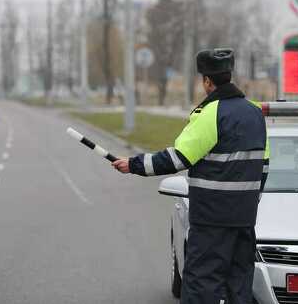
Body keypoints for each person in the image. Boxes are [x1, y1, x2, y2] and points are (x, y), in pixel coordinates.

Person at [112, 48, 269, 304]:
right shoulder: (255, 114)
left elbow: (177, 158)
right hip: (244, 220)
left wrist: (134, 164)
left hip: (211, 221)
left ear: (207, 80)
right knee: (239, 287)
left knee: (201, 286)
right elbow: (263, 166)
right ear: (229, 75)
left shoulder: (209, 114)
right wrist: (248, 201)